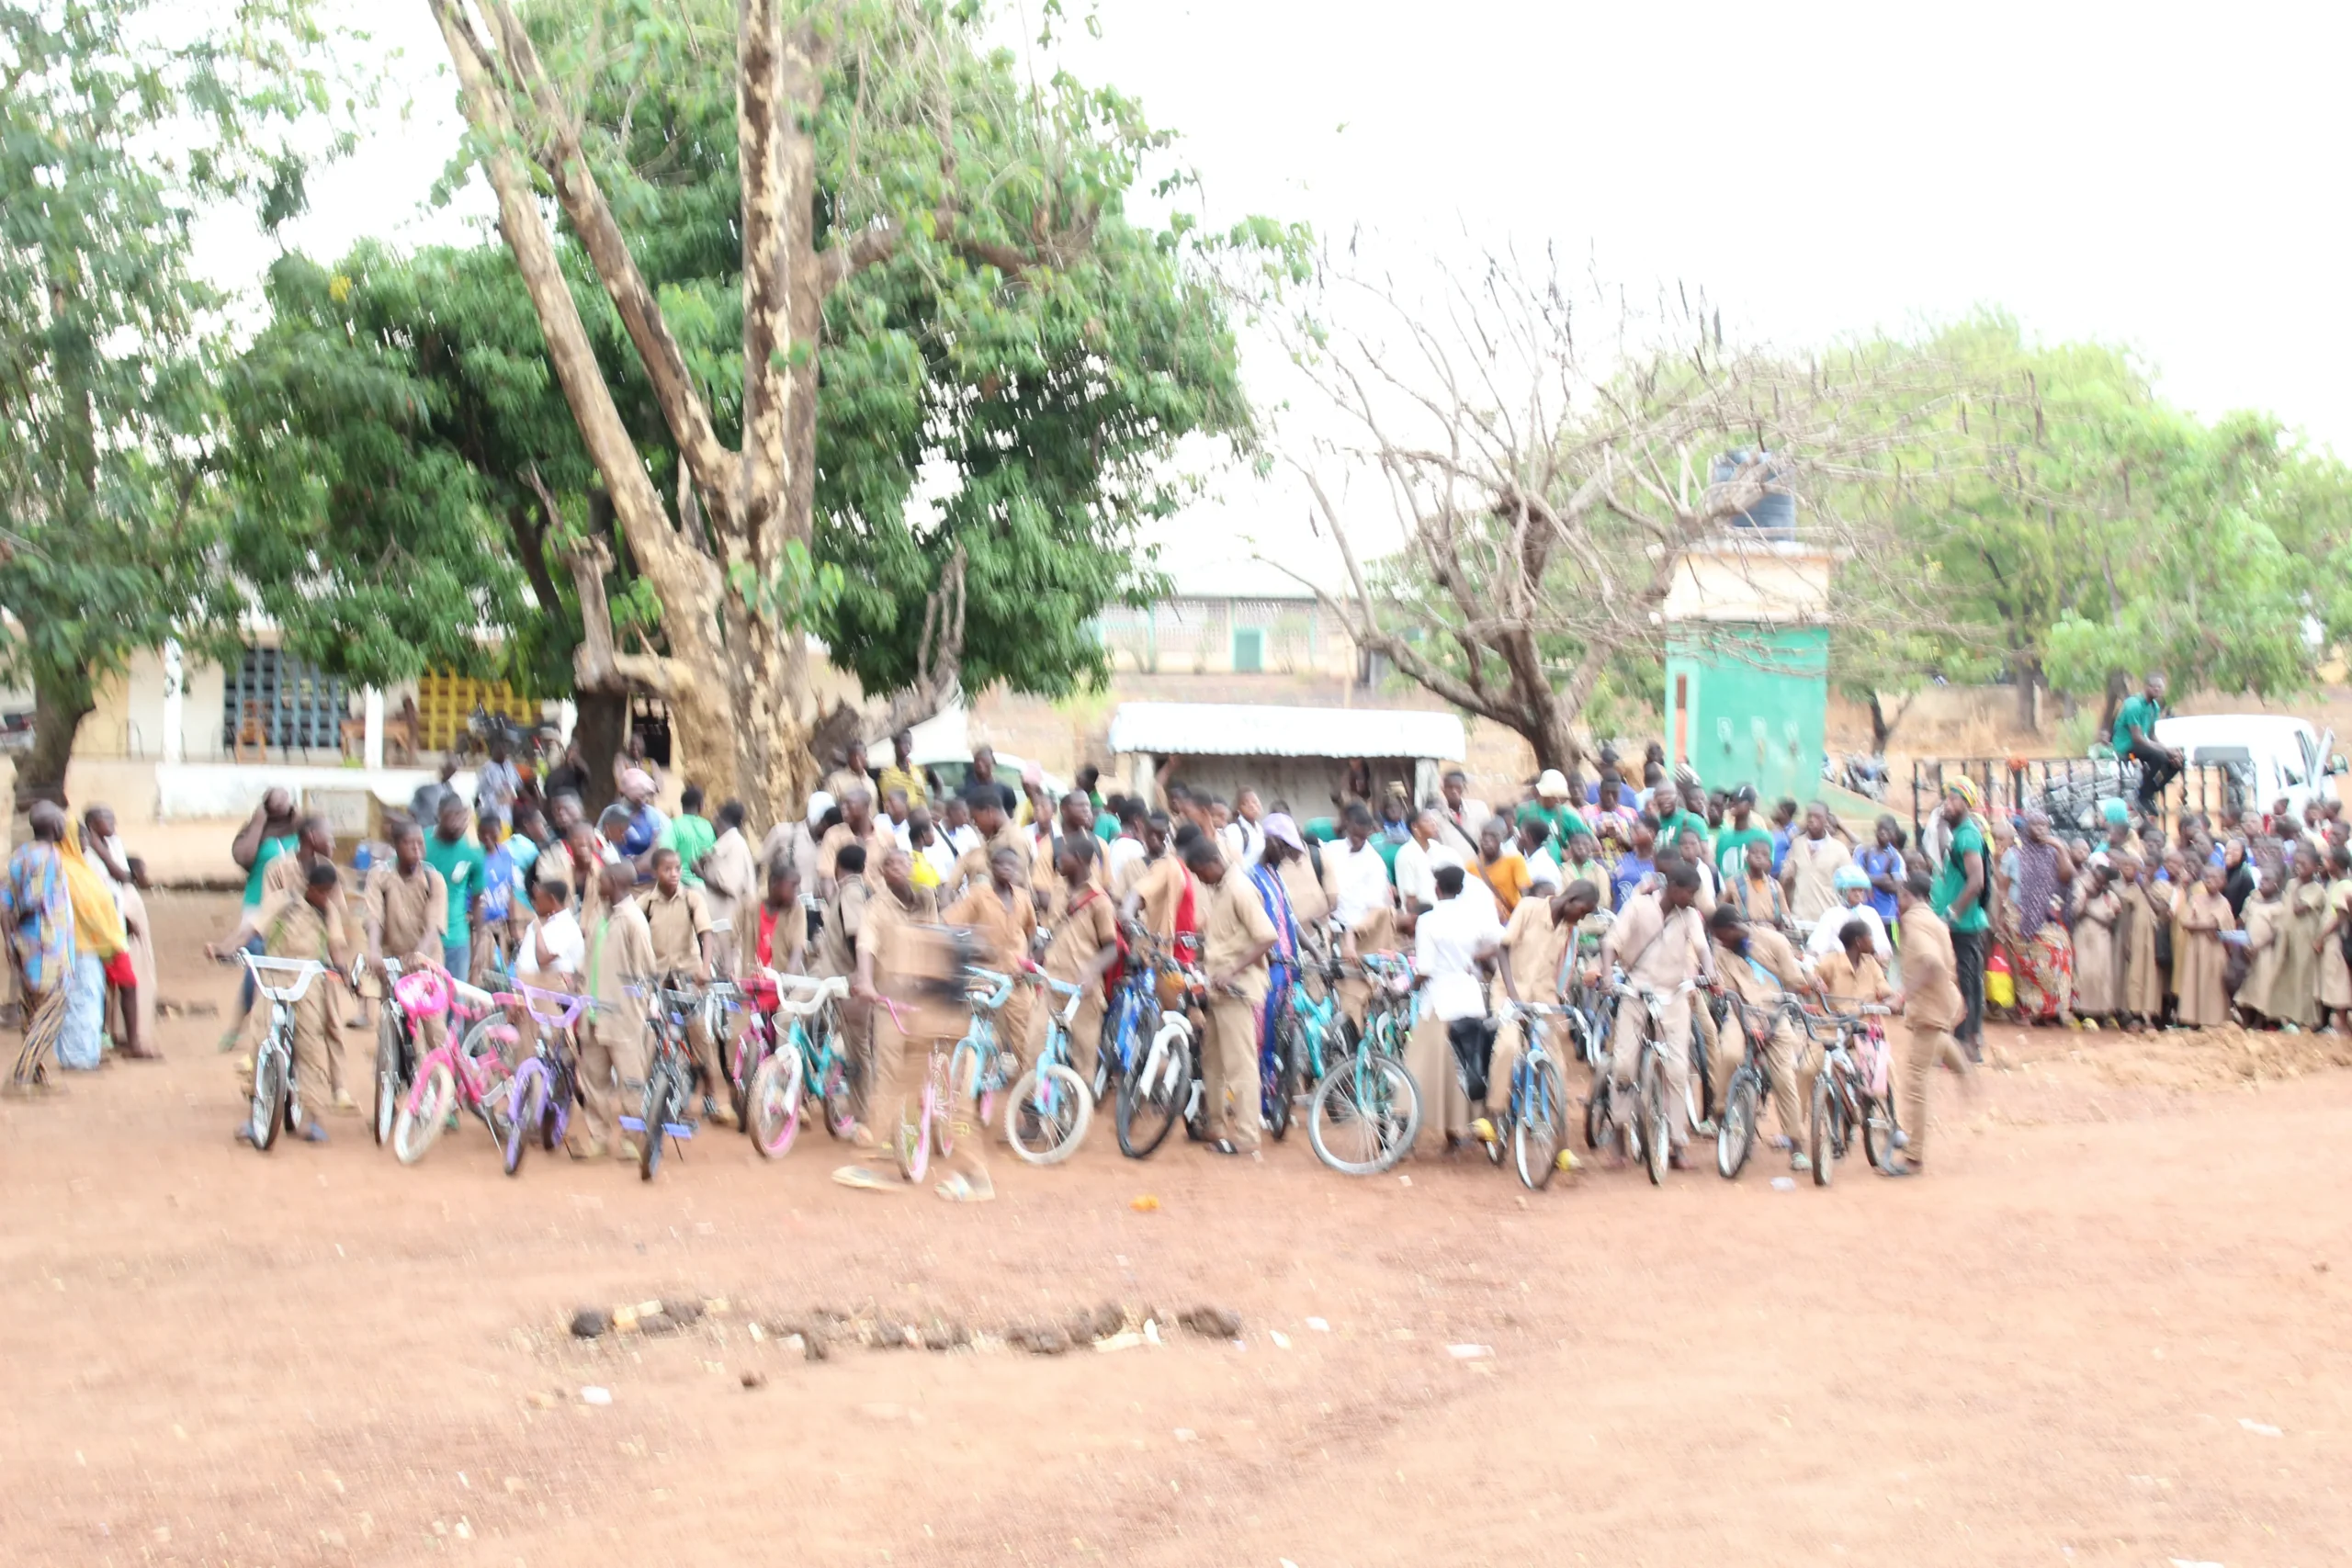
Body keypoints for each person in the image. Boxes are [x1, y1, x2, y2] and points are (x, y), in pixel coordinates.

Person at [1590, 861, 1710, 1168]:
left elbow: (1702, 947)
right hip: (1636, 992)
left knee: (1678, 1070)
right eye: (1690, 893)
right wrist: (1607, 975)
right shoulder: (1638, 906)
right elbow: (1611, 943)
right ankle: (1618, 1138)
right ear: (1674, 888)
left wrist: (1710, 973)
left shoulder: (1689, 916)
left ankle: (1677, 1145)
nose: (1693, 899)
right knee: (1623, 1065)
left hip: (1674, 995)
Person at [1405, 863, 1506, 1156]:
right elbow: (1502, 941)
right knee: (1471, 1063)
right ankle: (1470, 1127)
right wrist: (1473, 958)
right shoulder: (1473, 916)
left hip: (1439, 1001)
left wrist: (1408, 987)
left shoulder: (1428, 920)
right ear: (1461, 889)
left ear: (1437, 889)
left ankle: (1434, 1132)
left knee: (1425, 1068)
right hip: (1470, 998)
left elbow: (1424, 968)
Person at [1185, 836, 1276, 1156]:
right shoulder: (1221, 889)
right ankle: (1215, 1124)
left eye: (1200, 873)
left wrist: (1232, 969)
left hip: (1237, 989)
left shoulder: (1239, 888)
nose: (1200, 880)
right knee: (1211, 1060)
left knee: (1240, 1064)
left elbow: (1267, 936)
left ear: (1213, 862)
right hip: (1217, 989)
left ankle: (1248, 1135)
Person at [1707, 905, 1816, 1173]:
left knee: (1784, 1079)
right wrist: (1748, 1024)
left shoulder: (1774, 941)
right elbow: (1731, 994)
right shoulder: (1722, 954)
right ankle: (1720, 1111)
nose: (1720, 942)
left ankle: (1796, 1146)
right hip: (1742, 1013)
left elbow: (1792, 980)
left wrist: (1807, 985)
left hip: (1776, 1013)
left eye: (1722, 937)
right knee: (1730, 1054)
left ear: (1733, 929)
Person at [634, 846, 735, 1126]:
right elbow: (634, 935)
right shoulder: (646, 903)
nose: (674, 873)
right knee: (649, 1035)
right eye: (667, 869)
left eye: (677, 868)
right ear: (655, 871)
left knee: (699, 1036)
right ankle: (655, 1094)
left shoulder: (692, 899)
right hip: (657, 978)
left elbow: (706, 934)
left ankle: (711, 1096)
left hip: (689, 976)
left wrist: (704, 968)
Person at [945, 845, 1038, 1115]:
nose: (1007, 870)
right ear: (992, 867)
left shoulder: (1023, 898)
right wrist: (971, 948)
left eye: (1013, 866)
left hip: (1016, 980)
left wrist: (1027, 958)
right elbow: (951, 922)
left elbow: (1031, 931)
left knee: (1026, 1040)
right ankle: (969, 1095)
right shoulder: (979, 895)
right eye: (1002, 865)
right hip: (984, 976)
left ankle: (1031, 1105)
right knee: (976, 1033)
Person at [571, 863, 655, 1161]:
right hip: (593, 1013)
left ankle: (632, 1140)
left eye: (602, 880)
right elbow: (587, 958)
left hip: (623, 1016)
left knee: (631, 1080)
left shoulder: (634, 921)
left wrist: (637, 1009)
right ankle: (599, 1137)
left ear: (615, 882)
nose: (598, 884)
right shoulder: (599, 915)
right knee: (595, 1079)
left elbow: (645, 972)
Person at [1890, 869, 1961, 1176]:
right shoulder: (1935, 920)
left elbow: (1931, 962)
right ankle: (1964, 1070)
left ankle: (1914, 1156)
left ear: (1907, 895)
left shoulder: (1914, 921)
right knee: (1937, 1043)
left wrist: (1903, 995)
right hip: (1943, 1003)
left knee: (1915, 1083)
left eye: (1900, 896)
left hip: (1929, 1007)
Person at [1037, 835, 1121, 1089]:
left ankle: (1079, 1106)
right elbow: (1054, 930)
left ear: (1079, 859)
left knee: (1083, 1060)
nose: (1057, 860)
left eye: (1063, 855)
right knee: (1036, 1047)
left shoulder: (1100, 901)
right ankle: (1032, 1103)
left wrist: (1092, 971)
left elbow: (1112, 948)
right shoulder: (1059, 889)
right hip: (1052, 983)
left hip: (1082, 992)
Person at [363, 819, 452, 1053]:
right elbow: (374, 917)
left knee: (434, 1029)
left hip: (427, 961)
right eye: (409, 843)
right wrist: (374, 950)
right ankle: (393, 1073)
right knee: (392, 1028)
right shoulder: (380, 876)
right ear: (395, 845)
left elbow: (434, 925)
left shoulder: (433, 879)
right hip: (394, 962)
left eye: (420, 843)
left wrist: (419, 954)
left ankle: (443, 1073)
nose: (416, 848)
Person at [4, 803, 75, 1089]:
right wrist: (24, 914)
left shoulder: (19, 855)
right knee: (55, 1006)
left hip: (25, 945)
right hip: (48, 945)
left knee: (32, 1009)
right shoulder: (50, 857)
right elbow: (33, 899)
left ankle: (36, 1076)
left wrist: (9, 940)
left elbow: (4, 903)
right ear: (54, 826)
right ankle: (22, 1073)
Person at [1929, 779, 1991, 1061]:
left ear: (1967, 804)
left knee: (1966, 984)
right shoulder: (1959, 833)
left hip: (1964, 924)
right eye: (1947, 798)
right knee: (1965, 983)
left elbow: (1976, 881)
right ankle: (1966, 1042)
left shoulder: (1968, 836)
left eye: (1954, 799)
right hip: (1959, 924)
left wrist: (1952, 913)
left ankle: (1966, 1044)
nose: (1948, 803)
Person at [2010, 809, 2077, 1025]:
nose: (2040, 829)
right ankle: (2028, 1010)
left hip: (2047, 916)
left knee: (2062, 952)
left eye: (2044, 825)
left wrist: (2060, 847)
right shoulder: (2017, 853)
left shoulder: (2052, 852)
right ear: (2026, 827)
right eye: (2035, 825)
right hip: (2021, 917)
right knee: (2032, 961)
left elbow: (2067, 876)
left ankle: (2053, 1010)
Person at [424, 794, 486, 985]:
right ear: (439, 815)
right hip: (422, 938)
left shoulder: (473, 851)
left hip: (457, 940)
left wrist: (479, 942)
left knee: (455, 998)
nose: (459, 824)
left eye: (463, 818)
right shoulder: (420, 842)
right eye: (453, 817)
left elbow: (477, 900)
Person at [2175, 862, 2236, 1029]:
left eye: (2214, 878)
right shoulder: (2195, 899)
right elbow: (2185, 922)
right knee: (2194, 981)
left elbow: (2217, 926)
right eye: (2206, 877)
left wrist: (2197, 924)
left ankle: (2213, 1021)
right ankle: (2193, 1019)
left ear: (2223, 882)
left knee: (2213, 985)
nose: (2210, 881)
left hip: (2214, 951)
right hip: (2195, 949)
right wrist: (2204, 925)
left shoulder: (2223, 903)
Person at [700, 801, 757, 976]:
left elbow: (728, 888)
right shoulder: (726, 844)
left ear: (718, 819)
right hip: (718, 924)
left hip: (725, 924)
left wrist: (699, 872)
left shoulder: (735, 846)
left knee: (726, 973)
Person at [2114, 672, 2182, 813]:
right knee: (2159, 757)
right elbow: (2137, 738)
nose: (2157, 690)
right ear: (2146, 686)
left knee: (2177, 761)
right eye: (2154, 686)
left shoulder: (2154, 707)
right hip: (2126, 746)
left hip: (2142, 744)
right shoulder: (2134, 705)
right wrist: (2164, 751)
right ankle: (2143, 796)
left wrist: (2169, 750)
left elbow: (2152, 735)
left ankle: (2149, 792)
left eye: (2160, 687)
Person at [2114, 853, 2165, 1029]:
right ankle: (2135, 1013)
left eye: (2150, 867)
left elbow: (2159, 909)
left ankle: (2149, 1014)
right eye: (2143, 868)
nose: (2146, 871)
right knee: (2135, 974)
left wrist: (2145, 888)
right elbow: (2127, 916)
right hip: (2136, 937)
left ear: (2156, 869)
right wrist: (2127, 941)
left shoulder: (2160, 887)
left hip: (2153, 939)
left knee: (2151, 975)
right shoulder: (2133, 889)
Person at [2070, 860, 2123, 1025]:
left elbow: (2111, 921)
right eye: (2095, 878)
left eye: (2101, 881)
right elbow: (2076, 913)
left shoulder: (2110, 896)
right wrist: (2086, 899)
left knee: (2100, 975)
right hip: (2083, 937)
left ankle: (2100, 1012)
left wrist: (2090, 912)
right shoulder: (2081, 889)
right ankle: (2080, 1010)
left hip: (2102, 940)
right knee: (2083, 973)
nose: (2097, 883)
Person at [1781, 802, 1851, 927]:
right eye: (1809, 816)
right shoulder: (1797, 844)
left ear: (1826, 820)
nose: (1812, 820)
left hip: (1827, 922)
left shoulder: (1840, 850)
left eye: (1818, 817)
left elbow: (1849, 887)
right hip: (1799, 919)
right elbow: (1785, 879)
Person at [2233, 870, 2287, 1027]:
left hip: (2264, 953)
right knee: (2246, 988)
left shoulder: (2278, 907)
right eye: (2262, 880)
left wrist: (2259, 947)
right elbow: (2242, 921)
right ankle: (2246, 1020)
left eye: (2267, 880)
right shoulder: (2252, 902)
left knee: (2262, 987)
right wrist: (2240, 940)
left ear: (2276, 884)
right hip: (2247, 950)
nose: (2262, 883)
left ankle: (2259, 1021)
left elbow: (2276, 933)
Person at [1813, 917, 1894, 1011]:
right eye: (1870, 936)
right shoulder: (1831, 961)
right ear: (1858, 941)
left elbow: (1882, 985)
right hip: (1835, 1018)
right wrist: (1816, 982)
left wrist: (1891, 996)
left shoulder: (1870, 962)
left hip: (1866, 1016)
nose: (1873, 941)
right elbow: (1812, 977)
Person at [820, 786, 888, 896]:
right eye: (842, 804)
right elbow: (827, 878)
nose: (843, 808)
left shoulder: (886, 837)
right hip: (847, 900)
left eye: (849, 804)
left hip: (879, 902)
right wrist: (836, 904)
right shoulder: (833, 835)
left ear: (865, 807)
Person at [2315, 846, 2352, 1032]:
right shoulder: (2337, 883)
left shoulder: (2342, 886)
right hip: (2334, 941)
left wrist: (2320, 939)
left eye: (2327, 860)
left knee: (2338, 982)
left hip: (2335, 941)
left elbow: (2340, 917)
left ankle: (2342, 1025)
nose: (2323, 863)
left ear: (2335, 864)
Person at [658, 784, 717, 888]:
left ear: (682, 805)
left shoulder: (673, 825)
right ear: (700, 805)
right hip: (706, 883)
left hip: (681, 883)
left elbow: (664, 852)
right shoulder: (708, 826)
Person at [1731, 837, 1793, 932]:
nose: (1759, 857)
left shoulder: (1776, 887)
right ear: (1746, 858)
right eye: (1754, 853)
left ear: (1769, 862)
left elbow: (1786, 917)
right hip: (1745, 935)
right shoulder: (1734, 884)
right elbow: (1720, 914)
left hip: (1772, 935)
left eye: (1764, 854)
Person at [615, 767, 669, 877]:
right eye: (640, 796)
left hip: (650, 880)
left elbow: (666, 844)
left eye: (646, 795)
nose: (645, 800)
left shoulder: (655, 816)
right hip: (622, 879)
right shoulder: (613, 815)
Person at [1712, 785, 1773, 883]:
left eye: (1738, 800)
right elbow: (1719, 869)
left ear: (1751, 805)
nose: (1732, 803)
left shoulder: (1763, 838)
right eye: (1731, 800)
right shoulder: (1723, 837)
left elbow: (1765, 872)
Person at [1858, 817, 1906, 929]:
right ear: (1875, 831)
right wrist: (1883, 879)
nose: (1883, 832)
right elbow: (1858, 878)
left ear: (1894, 834)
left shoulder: (1895, 857)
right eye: (1881, 829)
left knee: (1892, 940)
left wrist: (1868, 878)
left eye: (1888, 830)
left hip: (1889, 916)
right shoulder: (1864, 852)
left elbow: (1896, 886)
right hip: (1866, 914)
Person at [1432, 770, 1491, 858]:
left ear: (1464, 788)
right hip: (1450, 865)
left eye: (1458, 787)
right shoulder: (1436, 816)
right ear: (1443, 789)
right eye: (1449, 787)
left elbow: (1489, 837)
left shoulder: (1479, 809)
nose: (1454, 791)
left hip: (1476, 865)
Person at [1610, 818, 1658, 912]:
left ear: (1651, 833)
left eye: (1636, 829)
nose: (1631, 832)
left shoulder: (1658, 864)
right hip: (1621, 916)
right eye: (1631, 829)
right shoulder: (1624, 859)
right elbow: (1614, 894)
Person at [876, 729, 928, 810]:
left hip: (918, 815)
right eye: (904, 743)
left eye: (910, 743)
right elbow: (889, 801)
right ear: (896, 745)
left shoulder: (915, 771)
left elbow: (921, 795)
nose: (908, 746)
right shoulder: (887, 775)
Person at [475, 738, 522, 829]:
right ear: (493, 751)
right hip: (492, 812)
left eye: (504, 748)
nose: (502, 751)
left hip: (507, 813)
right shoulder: (486, 769)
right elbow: (479, 793)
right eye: (499, 749)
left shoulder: (509, 766)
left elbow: (518, 786)